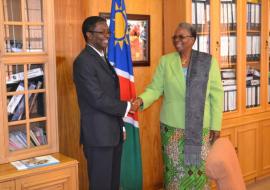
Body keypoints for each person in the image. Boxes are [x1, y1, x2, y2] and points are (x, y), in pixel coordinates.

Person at [132, 22, 224, 189]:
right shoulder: (166, 62)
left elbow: (217, 96)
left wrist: (216, 126)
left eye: (182, 37)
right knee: (175, 172)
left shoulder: (208, 62)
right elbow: (155, 88)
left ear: (193, 39)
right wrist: (141, 100)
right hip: (172, 128)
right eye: (175, 37)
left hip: (201, 127)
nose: (177, 40)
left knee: (199, 171)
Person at [73, 16, 135, 190]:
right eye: (102, 32)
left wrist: (120, 126)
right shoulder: (83, 62)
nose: (108, 35)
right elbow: (97, 98)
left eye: (108, 31)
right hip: (98, 137)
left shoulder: (102, 58)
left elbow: (112, 95)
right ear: (89, 35)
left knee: (113, 184)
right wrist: (128, 107)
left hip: (112, 134)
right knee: (101, 185)